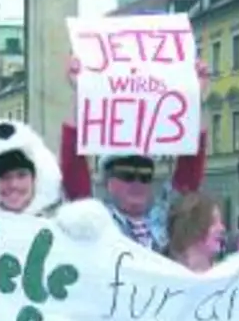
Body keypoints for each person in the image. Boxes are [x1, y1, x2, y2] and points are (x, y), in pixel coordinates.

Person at [57, 57, 211, 250]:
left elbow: (189, 175)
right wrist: (81, 93)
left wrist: (194, 96)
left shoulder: (166, 218)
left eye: (145, 175)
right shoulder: (96, 221)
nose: (137, 182)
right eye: (127, 174)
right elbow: (74, 171)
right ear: (108, 180)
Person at [165, 192, 226, 273]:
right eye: (213, 222)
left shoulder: (228, 276)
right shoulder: (167, 277)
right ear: (193, 229)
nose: (222, 228)